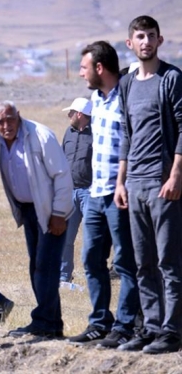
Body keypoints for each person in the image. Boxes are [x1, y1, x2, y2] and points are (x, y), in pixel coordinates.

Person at [115, 15, 182, 354]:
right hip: (135, 183)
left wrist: (176, 175)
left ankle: (173, 331)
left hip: (162, 181)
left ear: (159, 40)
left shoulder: (171, 78)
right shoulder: (127, 83)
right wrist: (120, 182)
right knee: (143, 263)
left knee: (169, 261)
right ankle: (152, 328)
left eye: (151, 36)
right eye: (140, 36)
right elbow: (126, 134)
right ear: (130, 43)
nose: (146, 42)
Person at [68, 40, 141, 349]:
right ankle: (99, 323)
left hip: (120, 193)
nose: (81, 74)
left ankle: (125, 327)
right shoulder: (95, 100)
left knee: (125, 263)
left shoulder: (127, 96)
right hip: (95, 194)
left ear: (99, 68)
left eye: (84, 67)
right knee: (91, 259)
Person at [0, 101, 72, 339]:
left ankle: (44, 322)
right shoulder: (0, 141)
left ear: (19, 115)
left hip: (49, 209)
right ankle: (51, 324)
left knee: (45, 267)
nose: (7, 125)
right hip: (28, 210)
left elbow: (62, 175)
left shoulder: (40, 135)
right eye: (0, 122)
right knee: (38, 266)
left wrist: (58, 213)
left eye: (10, 119)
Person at [60, 97, 93, 285]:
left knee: (91, 238)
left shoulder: (97, 133)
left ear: (79, 114)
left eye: (71, 112)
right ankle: (64, 276)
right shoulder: (68, 132)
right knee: (66, 237)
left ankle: (93, 275)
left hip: (89, 193)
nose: (69, 115)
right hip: (69, 192)